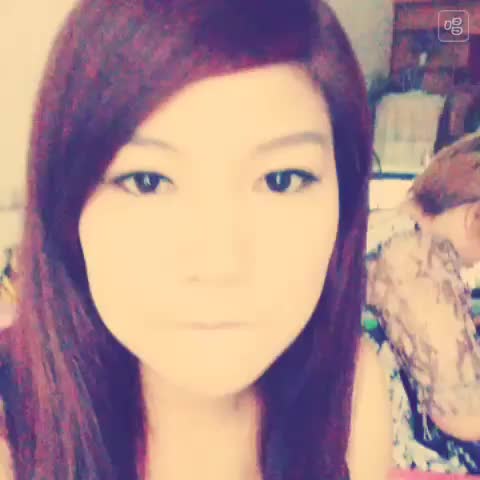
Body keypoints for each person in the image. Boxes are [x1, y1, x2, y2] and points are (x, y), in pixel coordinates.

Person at [0, 1, 392, 479]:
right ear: (64, 205)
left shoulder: (351, 394)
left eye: (281, 180)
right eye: (147, 182)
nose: (218, 264)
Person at [366, 130, 480, 474]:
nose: (472, 265)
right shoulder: (414, 254)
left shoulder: (384, 232)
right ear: (474, 217)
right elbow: (461, 413)